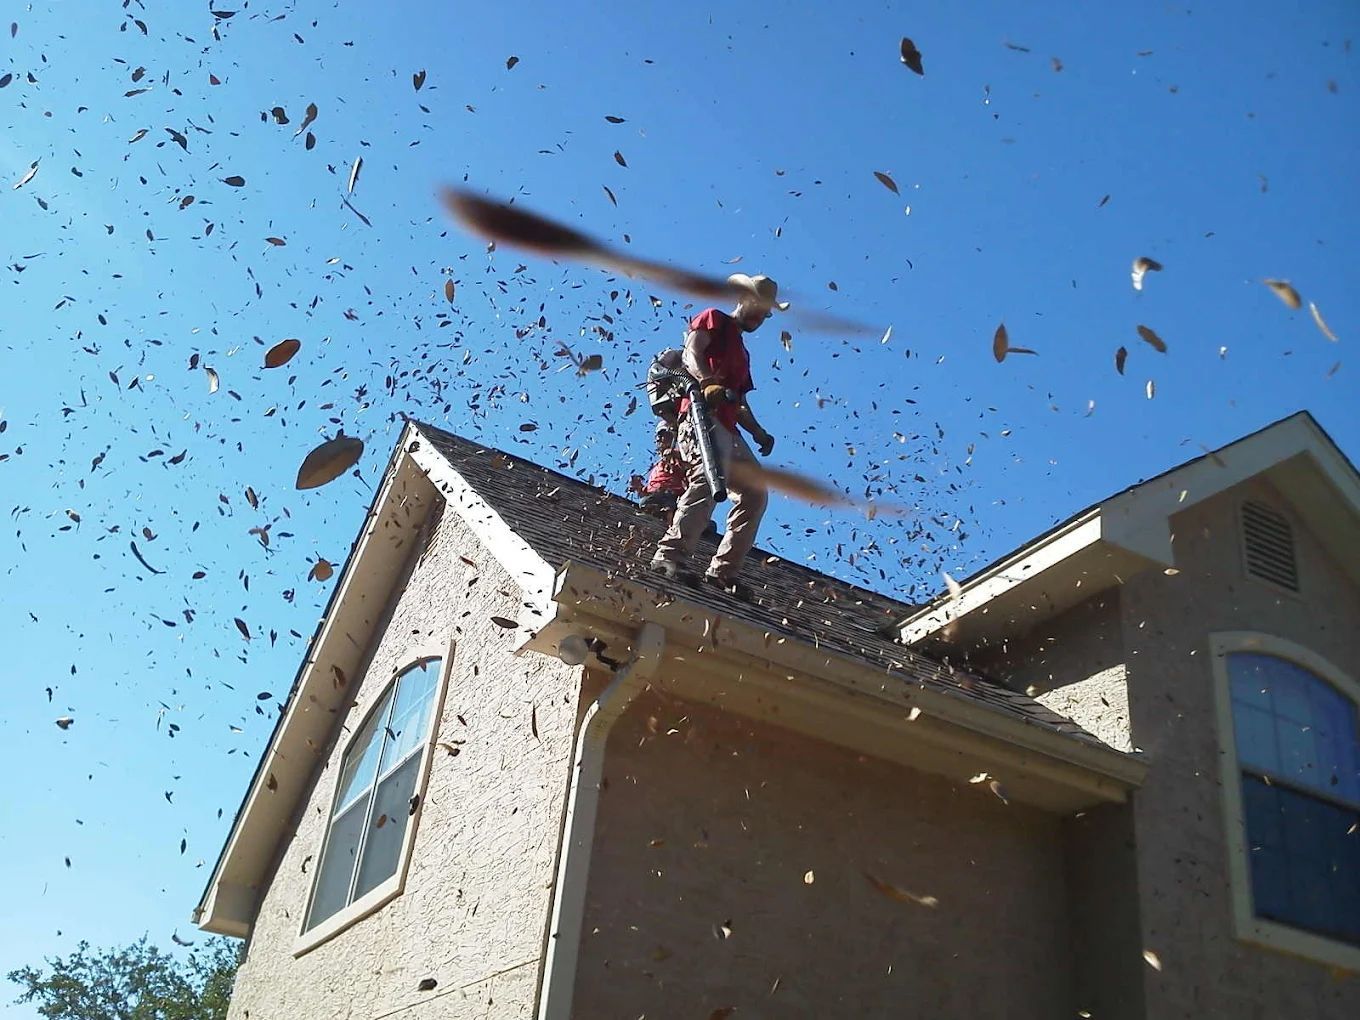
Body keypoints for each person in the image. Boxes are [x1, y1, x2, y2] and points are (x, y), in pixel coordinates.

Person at [649, 273, 781, 594]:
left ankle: (724, 572)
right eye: (757, 307)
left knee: (755, 493)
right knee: (709, 477)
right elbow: (692, 354)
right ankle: (669, 556)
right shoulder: (714, 319)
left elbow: (739, 402)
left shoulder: (743, 354)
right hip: (698, 414)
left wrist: (759, 432)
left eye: (765, 313)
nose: (759, 317)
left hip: (728, 426)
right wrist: (708, 382)